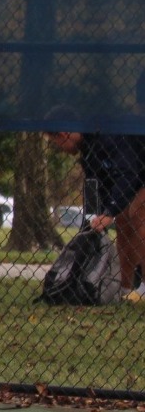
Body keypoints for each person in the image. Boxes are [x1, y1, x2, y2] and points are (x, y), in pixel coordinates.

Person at [42, 107, 145, 295]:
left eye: (57, 144)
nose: (61, 150)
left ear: (64, 134)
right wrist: (98, 218)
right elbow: (99, 187)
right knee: (123, 221)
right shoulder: (89, 149)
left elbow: (127, 175)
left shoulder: (109, 136)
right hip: (138, 173)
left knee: (137, 214)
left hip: (137, 173)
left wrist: (110, 211)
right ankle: (124, 288)